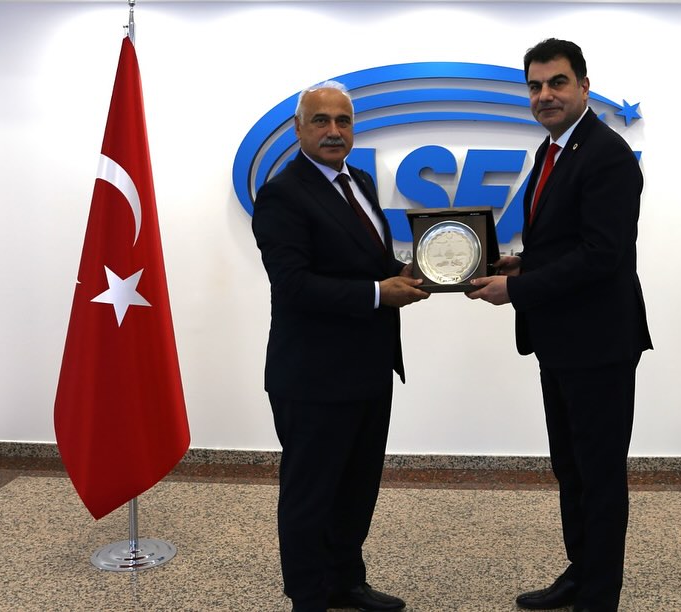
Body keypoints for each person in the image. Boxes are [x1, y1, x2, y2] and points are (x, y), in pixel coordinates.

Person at [467, 39, 652, 612]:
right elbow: (567, 242)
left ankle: (599, 596)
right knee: (571, 470)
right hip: (562, 342)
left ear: (584, 87)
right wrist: (522, 263)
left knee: (598, 475)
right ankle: (582, 571)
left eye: (557, 82)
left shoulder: (607, 155)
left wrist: (517, 290)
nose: (544, 95)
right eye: (535, 86)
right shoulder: (554, 150)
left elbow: (601, 255)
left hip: (599, 345)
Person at [252, 81, 428, 612]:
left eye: (343, 121)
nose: (334, 131)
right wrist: (379, 293)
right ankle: (308, 597)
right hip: (313, 376)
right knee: (310, 495)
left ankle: (346, 580)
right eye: (321, 121)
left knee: (356, 487)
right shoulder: (283, 195)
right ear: (298, 129)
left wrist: (412, 271)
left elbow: (369, 261)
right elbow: (294, 285)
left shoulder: (360, 181)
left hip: (369, 368)